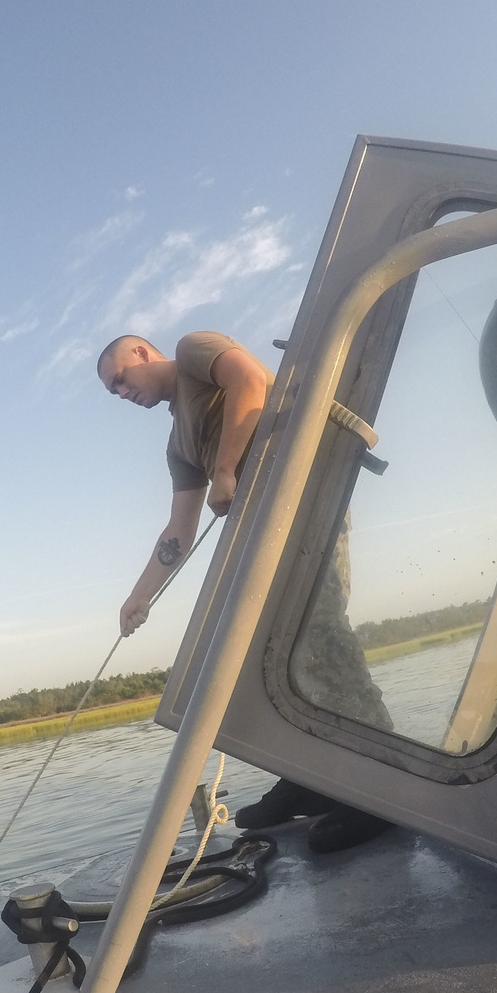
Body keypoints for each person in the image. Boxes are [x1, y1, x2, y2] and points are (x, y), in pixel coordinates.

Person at [97, 330, 392, 853]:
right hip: (263, 535)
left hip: (303, 501)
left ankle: (378, 788)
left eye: (120, 378)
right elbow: (179, 531)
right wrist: (138, 595)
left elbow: (251, 379)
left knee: (319, 634)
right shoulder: (178, 446)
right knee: (271, 650)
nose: (121, 392)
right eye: (113, 393)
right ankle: (309, 774)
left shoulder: (193, 351)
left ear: (142, 353)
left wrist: (227, 468)